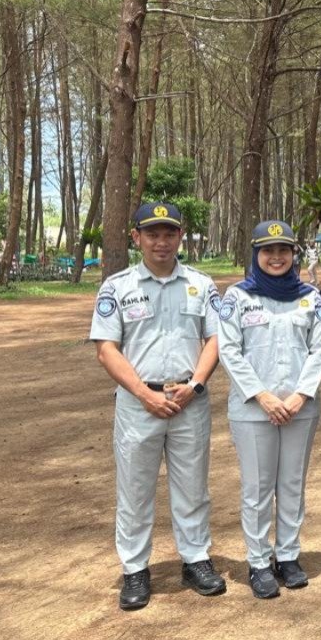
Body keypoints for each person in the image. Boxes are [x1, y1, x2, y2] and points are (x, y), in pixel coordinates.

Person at [90, 202, 224, 611]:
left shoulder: (201, 285)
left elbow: (215, 340)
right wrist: (144, 394)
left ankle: (195, 559)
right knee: (134, 490)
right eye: (152, 234)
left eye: (169, 233)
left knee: (192, 487)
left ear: (180, 236)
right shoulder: (117, 287)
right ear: (136, 238)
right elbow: (106, 349)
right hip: (138, 404)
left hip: (189, 401)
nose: (161, 242)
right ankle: (134, 569)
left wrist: (195, 385)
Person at [217, 220, 321, 598]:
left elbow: (320, 348)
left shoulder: (310, 298)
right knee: (258, 488)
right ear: (256, 254)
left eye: (284, 250)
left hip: (300, 408)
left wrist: (300, 395)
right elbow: (229, 350)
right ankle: (259, 562)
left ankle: (288, 556)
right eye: (269, 250)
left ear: (294, 255)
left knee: (292, 485)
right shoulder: (237, 297)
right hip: (254, 411)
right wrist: (263, 396)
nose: (277, 257)